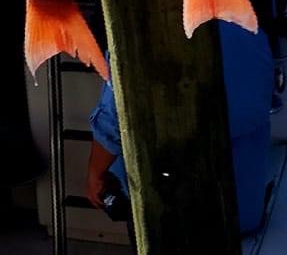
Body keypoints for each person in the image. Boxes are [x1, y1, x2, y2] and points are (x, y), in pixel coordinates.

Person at [86, 22, 275, 232]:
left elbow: (112, 123)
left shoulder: (139, 38)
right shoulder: (248, 29)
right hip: (242, 217)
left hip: (175, 224)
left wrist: (96, 174)